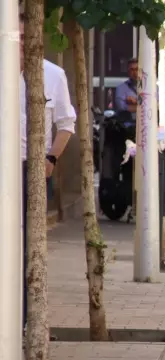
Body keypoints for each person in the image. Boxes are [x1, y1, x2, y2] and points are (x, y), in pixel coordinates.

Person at [19, 12, 76, 328]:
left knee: (28, 244)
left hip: (33, 168)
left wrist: (51, 159)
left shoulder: (53, 74)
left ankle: (26, 318)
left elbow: (66, 123)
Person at [114, 58, 138, 126]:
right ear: (128, 71)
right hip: (127, 127)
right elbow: (121, 107)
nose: (135, 73)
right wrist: (143, 106)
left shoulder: (150, 88)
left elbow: (155, 105)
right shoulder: (121, 88)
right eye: (132, 70)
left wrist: (135, 102)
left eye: (137, 69)